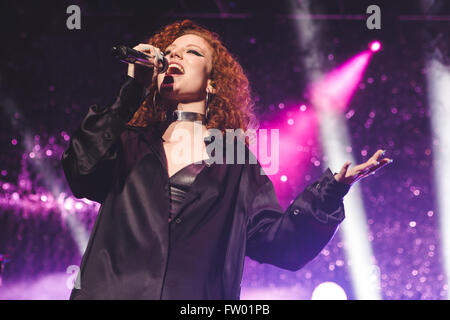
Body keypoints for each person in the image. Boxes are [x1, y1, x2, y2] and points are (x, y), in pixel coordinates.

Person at [61, 19, 392, 300]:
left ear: (211, 84)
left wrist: (330, 191)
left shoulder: (235, 160)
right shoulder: (129, 141)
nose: (174, 53)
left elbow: (279, 243)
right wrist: (132, 90)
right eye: (170, 50)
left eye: (191, 52)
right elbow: (81, 171)